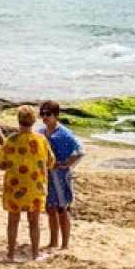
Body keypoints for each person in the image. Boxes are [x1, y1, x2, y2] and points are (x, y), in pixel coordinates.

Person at [0, 105, 52, 262]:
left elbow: (1, 164)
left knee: (13, 220)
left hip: (14, 184)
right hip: (35, 185)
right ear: (34, 121)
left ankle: (11, 254)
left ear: (19, 120)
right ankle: (35, 254)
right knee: (34, 221)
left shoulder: (11, 141)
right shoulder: (41, 140)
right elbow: (50, 161)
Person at [40, 101, 85, 252]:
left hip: (61, 176)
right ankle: (53, 241)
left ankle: (64, 243)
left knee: (63, 208)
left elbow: (80, 151)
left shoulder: (64, 133)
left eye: (48, 114)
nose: (45, 117)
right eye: (43, 114)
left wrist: (66, 164)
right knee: (50, 208)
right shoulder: (41, 133)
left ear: (56, 115)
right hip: (47, 175)